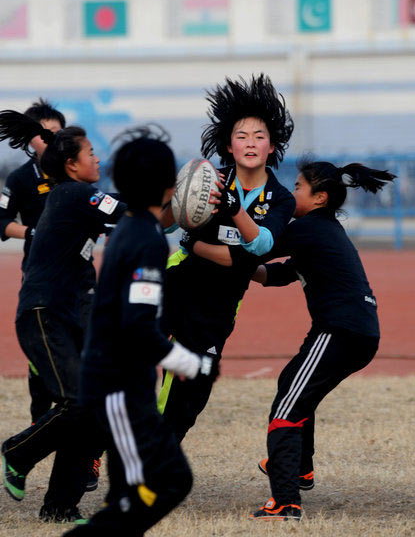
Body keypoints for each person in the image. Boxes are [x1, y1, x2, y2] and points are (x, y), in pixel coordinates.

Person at [62, 129, 216, 537]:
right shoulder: (146, 240)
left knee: (134, 494)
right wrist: (193, 363)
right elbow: (138, 326)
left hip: (124, 387)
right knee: (165, 482)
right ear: (170, 188)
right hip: (118, 389)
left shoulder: (130, 228)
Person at [249, 159, 396, 521]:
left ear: (319, 198)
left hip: (339, 331)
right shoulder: (320, 229)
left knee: (286, 411)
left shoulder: (308, 228)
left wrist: (206, 246)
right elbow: (275, 273)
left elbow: (255, 248)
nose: (292, 191)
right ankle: (301, 470)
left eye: (298, 186)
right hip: (356, 331)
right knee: (293, 385)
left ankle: (285, 503)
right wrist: (243, 268)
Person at [0, 110, 126, 522]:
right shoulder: (74, 194)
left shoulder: (75, 196)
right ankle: (17, 453)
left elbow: (134, 224)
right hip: (44, 312)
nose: (98, 159)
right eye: (91, 152)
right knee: (77, 401)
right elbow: (127, 213)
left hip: (69, 313)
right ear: (71, 164)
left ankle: (59, 506)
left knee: (90, 408)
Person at [158, 74, 296, 443]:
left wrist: (227, 217)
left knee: (190, 400)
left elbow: (259, 249)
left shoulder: (281, 199)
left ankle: (151, 458)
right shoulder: (210, 181)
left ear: (272, 146)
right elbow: (167, 226)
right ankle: (101, 452)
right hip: (177, 284)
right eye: (241, 136)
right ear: (229, 146)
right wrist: (176, 199)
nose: (250, 142)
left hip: (218, 309)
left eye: (259, 136)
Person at [0, 99, 66, 423]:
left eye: (58, 133)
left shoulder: (76, 173)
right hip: (39, 278)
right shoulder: (20, 179)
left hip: (77, 279)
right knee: (41, 360)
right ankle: (37, 428)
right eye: (45, 133)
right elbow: (1, 222)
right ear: (30, 139)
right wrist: (32, 232)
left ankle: (82, 441)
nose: (52, 140)